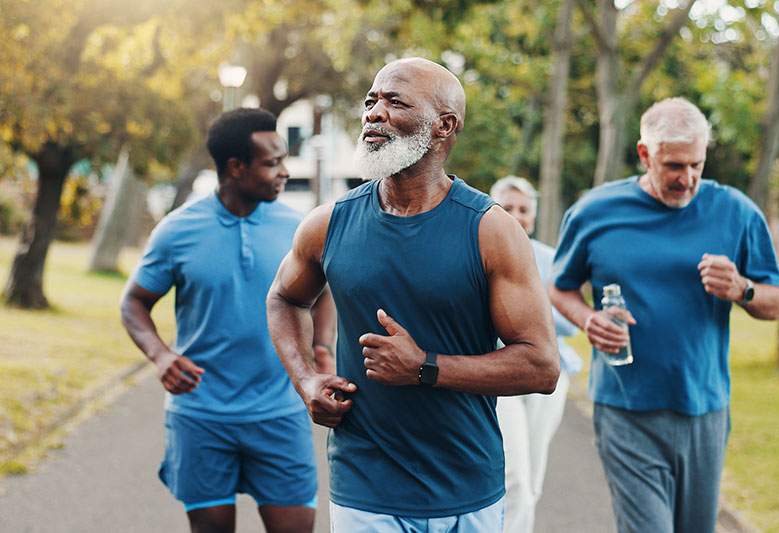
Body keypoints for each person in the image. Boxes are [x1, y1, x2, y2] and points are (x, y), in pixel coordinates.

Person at [267, 57, 560, 532]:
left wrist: (425, 367)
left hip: (467, 486)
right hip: (365, 485)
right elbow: (284, 298)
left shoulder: (490, 230)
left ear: (445, 125)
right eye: (370, 101)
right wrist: (305, 380)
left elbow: (541, 366)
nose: (374, 113)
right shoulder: (329, 223)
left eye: (394, 101)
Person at [549, 97, 779, 533]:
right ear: (644, 154)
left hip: (704, 408)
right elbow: (560, 288)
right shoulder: (594, 213)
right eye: (674, 166)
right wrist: (588, 320)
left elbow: (775, 303)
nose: (688, 178)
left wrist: (742, 289)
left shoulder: (735, 211)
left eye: (696, 164)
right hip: (624, 407)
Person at [120, 108, 335, 533]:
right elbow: (134, 302)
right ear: (236, 168)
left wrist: (322, 349)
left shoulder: (299, 230)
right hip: (201, 416)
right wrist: (161, 357)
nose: (285, 172)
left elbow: (324, 292)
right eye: (272, 163)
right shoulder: (177, 231)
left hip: (279, 413)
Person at [489, 176, 582, 533]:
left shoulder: (550, 259)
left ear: (534, 214)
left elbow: (570, 322)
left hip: (549, 375)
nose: (517, 215)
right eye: (508, 207)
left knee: (533, 478)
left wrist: (528, 317)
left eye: (524, 209)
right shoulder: (483, 252)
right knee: (515, 479)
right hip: (501, 374)